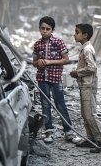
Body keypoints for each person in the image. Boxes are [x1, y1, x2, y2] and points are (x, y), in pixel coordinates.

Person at [33, 16, 77, 144]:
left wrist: (49, 61)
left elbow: (66, 59)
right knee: (45, 105)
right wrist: (39, 62)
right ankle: (49, 132)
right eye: (42, 28)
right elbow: (34, 62)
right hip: (42, 78)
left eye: (48, 29)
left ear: (52, 30)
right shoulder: (37, 44)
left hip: (55, 78)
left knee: (60, 104)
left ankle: (68, 132)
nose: (45, 31)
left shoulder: (59, 42)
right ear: (39, 29)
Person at [70, 23, 101, 153]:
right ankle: (91, 139)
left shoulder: (87, 49)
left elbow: (92, 68)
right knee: (85, 113)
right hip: (85, 85)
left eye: (77, 32)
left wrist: (77, 73)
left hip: (88, 85)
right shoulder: (84, 48)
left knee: (90, 114)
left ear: (85, 35)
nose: (74, 34)